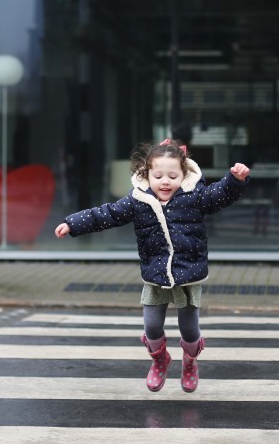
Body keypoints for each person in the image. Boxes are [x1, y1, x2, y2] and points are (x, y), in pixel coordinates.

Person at [55, 139, 249, 392]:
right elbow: (108, 213)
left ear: (184, 175)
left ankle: (190, 361)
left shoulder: (196, 196)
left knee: (190, 331)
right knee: (152, 326)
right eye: (158, 176)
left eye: (172, 175)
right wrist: (73, 224)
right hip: (155, 274)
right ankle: (160, 360)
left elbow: (219, 195)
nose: (165, 181)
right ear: (147, 175)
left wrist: (235, 180)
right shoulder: (138, 200)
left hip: (188, 273)